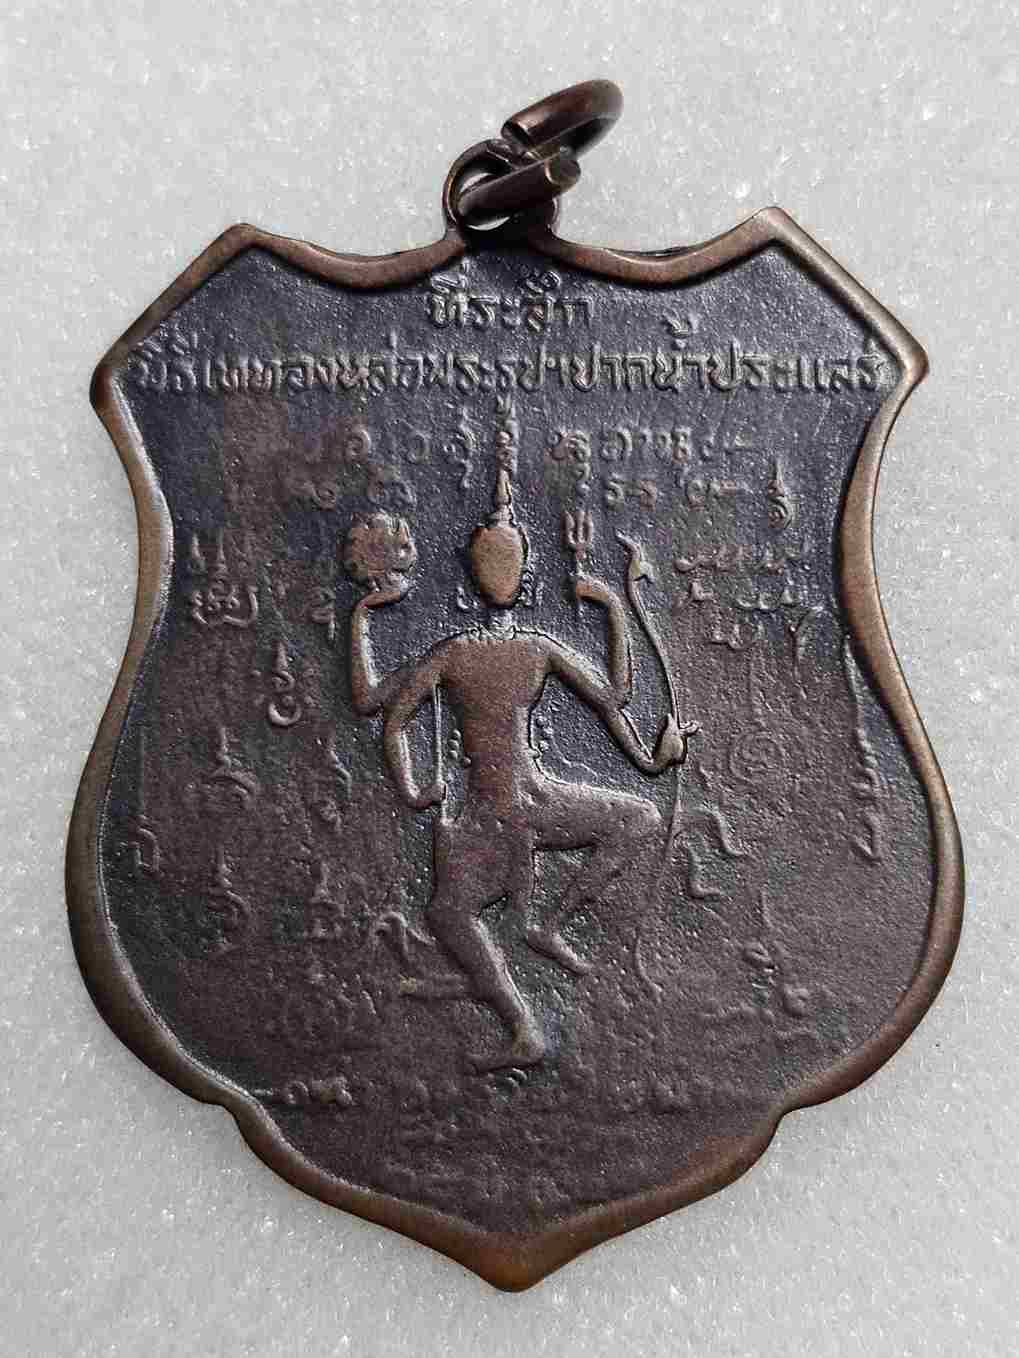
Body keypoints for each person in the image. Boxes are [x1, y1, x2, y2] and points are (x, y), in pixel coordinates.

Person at [348, 470, 687, 1070]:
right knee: (639, 818)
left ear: (470, 581)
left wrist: (363, 616)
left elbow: (376, 705)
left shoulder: (454, 653)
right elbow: (617, 695)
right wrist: (611, 604)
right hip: (530, 802)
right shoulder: (535, 648)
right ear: (525, 577)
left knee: (448, 914)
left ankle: (522, 1009)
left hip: (489, 809)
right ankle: (550, 924)